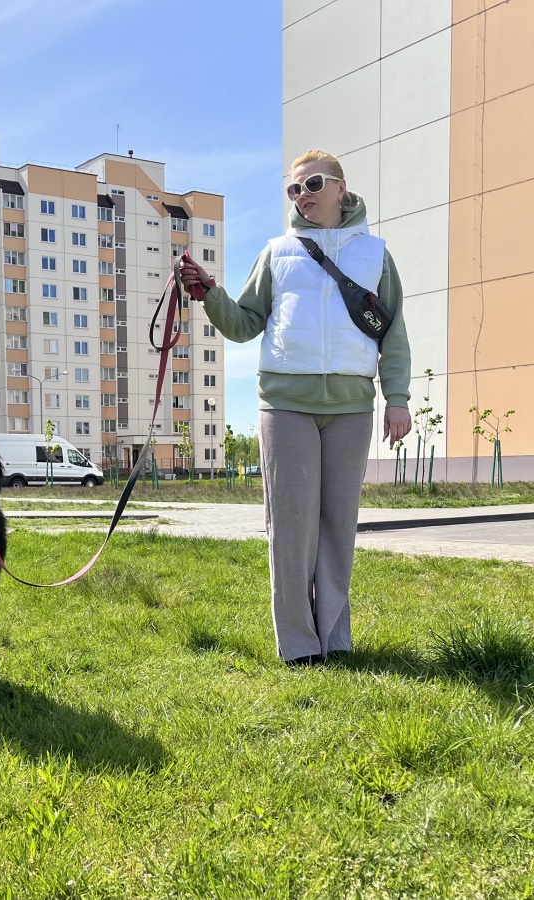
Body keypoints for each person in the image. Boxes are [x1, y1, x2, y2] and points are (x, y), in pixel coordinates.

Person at [178, 149, 412, 665]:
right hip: (286, 406)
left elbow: (393, 333)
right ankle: (300, 645)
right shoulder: (277, 253)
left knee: (337, 526)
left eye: (313, 184)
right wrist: (209, 293)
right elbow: (244, 324)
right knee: (291, 527)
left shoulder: (375, 254)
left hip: (351, 408)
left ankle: (334, 638)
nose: (302, 195)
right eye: (294, 188)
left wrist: (397, 399)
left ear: (341, 188)